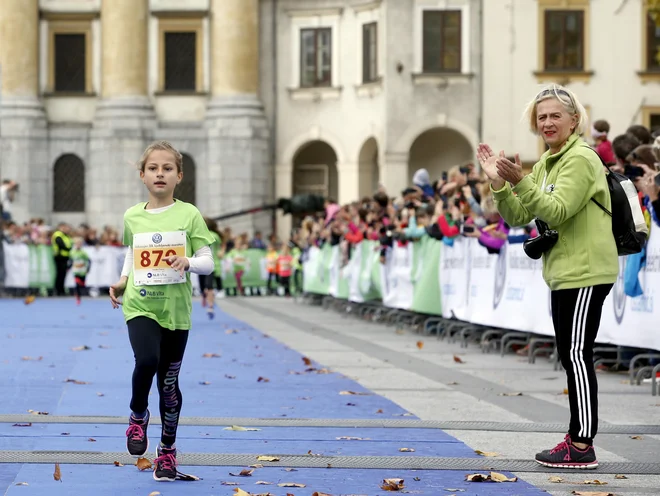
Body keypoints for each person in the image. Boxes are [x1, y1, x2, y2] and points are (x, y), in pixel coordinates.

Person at [477, 84, 618, 470]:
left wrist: (519, 181)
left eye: (556, 115)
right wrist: (499, 183)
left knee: (576, 354)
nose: (548, 122)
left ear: (575, 119)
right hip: (563, 272)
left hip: (588, 270)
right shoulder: (546, 163)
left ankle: (582, 442)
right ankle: (576, 437)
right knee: (569, 355)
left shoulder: (581, 158)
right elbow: (520, 216)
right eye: (542, 117)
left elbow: (555, 211)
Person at [109, 140, 214, 482]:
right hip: (140, 304)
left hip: (176, 311)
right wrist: (123, 280)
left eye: (167, 168)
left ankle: (167, 451)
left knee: (168, 384)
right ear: (142, 175)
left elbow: (209, 263)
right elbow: (131, 251)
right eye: (153, 168)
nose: (160, 173)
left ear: (179, 176)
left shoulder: (189, 214)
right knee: (147, 361)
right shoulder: (132, 216)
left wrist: (188, 262)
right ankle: (138, 415)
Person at [200, 217, 223, 319]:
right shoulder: (202, 235)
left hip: (209, 264)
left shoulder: (212, 236)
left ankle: (210, 306)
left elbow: (219, 245)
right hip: (202, 264)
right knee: (205, 286)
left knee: (208, 286)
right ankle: (206, 297)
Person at [51, 223, 73, 296]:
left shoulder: (65, 235)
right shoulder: (58, 234)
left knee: (63, 274)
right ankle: (58, 290)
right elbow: (61, 244)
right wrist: (68, 248)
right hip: (59, 256)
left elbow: (70, 243)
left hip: (65, 257)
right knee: (60, 274)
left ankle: (61, 289)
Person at [69, 237, 90, 305]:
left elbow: (89, 261)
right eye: (77, 244)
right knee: (77, 284)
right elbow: (71, 261)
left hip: (82, 271)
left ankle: (81, 292)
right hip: (76, 271)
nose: (78, 245)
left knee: (82, 285)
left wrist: (88, 269)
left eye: (79, 244)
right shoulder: (72, 252)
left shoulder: (83, 253)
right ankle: (78, 298)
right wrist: (68, 267)